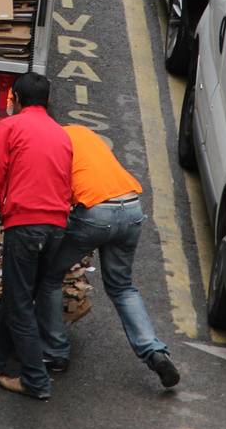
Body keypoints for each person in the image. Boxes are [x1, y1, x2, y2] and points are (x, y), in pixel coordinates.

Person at [35, 123, 180, 389]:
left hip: (95, 214)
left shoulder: (50, 142)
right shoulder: (82, 132)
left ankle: (55, 353)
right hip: (131, 207)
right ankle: (155, 352)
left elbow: (54, 196)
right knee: (122, 287)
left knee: (50, 277)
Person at [0, 72, 73, 400]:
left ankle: (35, 381)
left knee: (20, 304)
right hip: (57, 228)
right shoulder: (62, 135)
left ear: (16, 99)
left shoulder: (9, 127)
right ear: (48, 101)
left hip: (25, 225)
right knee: (19, 294)